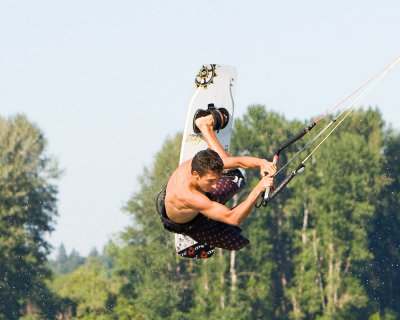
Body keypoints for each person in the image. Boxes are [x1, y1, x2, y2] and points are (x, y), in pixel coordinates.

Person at [159, 114, 276, 254]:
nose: (215, 185)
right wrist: (258, 188)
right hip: (189, 223)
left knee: (236, 177)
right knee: (238, 242)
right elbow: (234, 218)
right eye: (210, 181)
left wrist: (261, 163)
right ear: (195, 174)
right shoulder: (189, 196)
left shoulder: (200, 164)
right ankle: (197, 238)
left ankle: (204, 126)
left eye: (217, 179)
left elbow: (238, 162)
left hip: (201, 199)